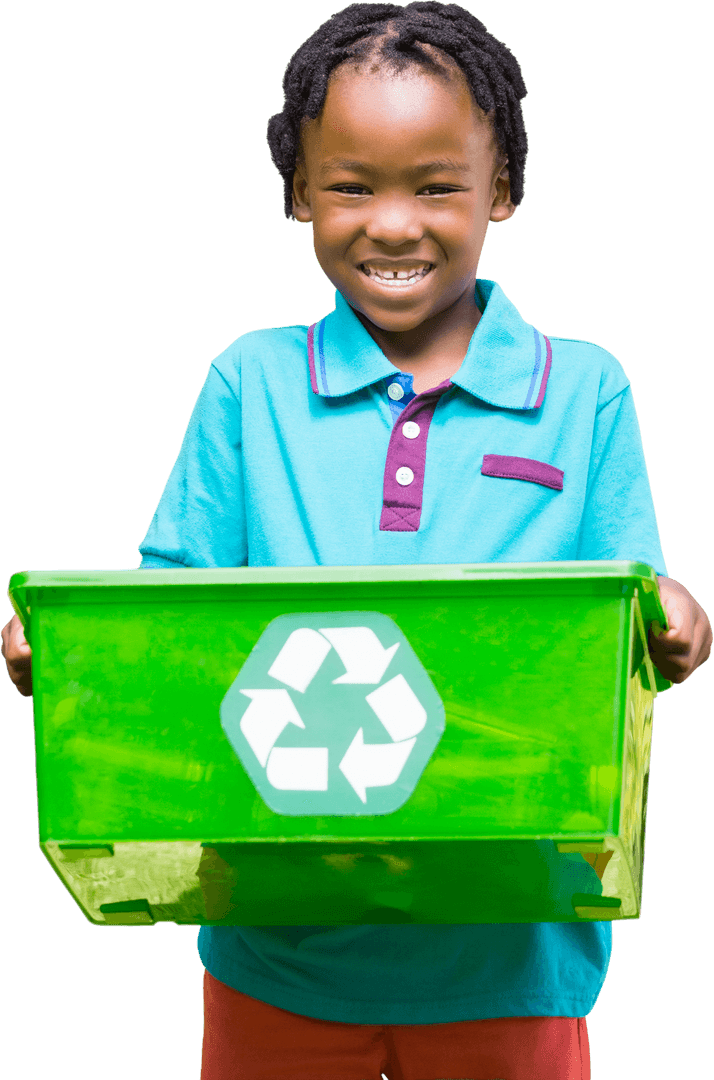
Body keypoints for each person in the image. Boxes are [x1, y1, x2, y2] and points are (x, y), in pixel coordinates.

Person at [3, 3, 711, 1078]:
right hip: (277, 949)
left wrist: (672, 617)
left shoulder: (585, 389)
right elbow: (174, 610)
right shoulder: (251, 384)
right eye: (352, 186)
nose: (394, 224)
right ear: (298, 193)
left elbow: (632, 594)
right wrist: (64, 657)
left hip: (508, 949)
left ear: (503, 191)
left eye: (436, 186)